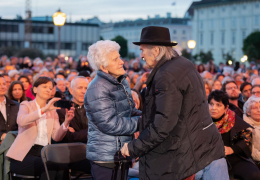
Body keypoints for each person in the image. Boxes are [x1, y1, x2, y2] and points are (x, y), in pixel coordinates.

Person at [121, 26, 225, 180]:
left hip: (180, 153)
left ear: (156, 51)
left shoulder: (166, 75)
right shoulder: (182, 63)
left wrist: (134, 147)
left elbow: (164, 123)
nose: (141, 55)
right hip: (189, 148)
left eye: (143, 50)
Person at [85, 40, 141, 180]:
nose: (121, 62)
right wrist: (142, 121)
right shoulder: (97, 88)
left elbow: (130, 111)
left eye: (119, 57)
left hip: (121, 154)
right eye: (115, 59)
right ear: (104, 67)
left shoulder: (122, 81)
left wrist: (152, 116)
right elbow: (110, 124)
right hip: (105, 158)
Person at [7, 77, 75, 180]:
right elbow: (21, 121)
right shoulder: (26, 105)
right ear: (34, 89)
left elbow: (56, 137)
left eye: (50, 88)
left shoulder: (52, 111)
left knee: (63, 167)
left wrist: (66, 122)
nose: (48, 90)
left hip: (44, 153)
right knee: (49, 166)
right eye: (44, 87)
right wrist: (43, 110)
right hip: (24, 155)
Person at [206, 90, 260, 180]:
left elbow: (247, 140)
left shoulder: (233, 119)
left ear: (226, 107)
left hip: (235, 159)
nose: (213, 108)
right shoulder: (203, 122)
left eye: (218, 105)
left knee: (254, 175)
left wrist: (231, 149)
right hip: (211, 161)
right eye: (211, 104)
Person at [243, 96, 260, 179]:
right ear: (248, 112)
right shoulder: (244, 127)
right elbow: (252, 153)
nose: (259, 110)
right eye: (255, 108)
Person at [57, 76, 89, 143]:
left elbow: (101, 133)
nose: (83, 91)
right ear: (71, 91)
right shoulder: (62, 110)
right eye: (80, 88)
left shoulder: (95, 109)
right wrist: (92, 131)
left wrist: (75, 134)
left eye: (86, 88)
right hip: (71, 151)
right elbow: (67, 137)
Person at [0, 75, 19, 144]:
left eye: (4, 84)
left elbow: (21, 126)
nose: (2, 87)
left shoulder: (16, 105)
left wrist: (10, 138)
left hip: (14, 145)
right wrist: (2, 136)